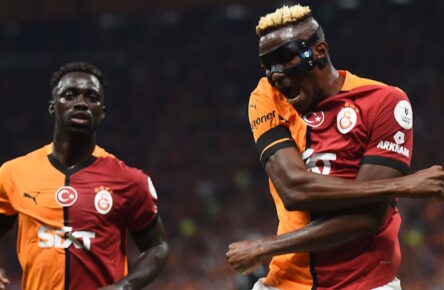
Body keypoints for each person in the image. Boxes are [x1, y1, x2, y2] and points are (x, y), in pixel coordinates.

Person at [227, 4, 444, 290]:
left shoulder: (385, 102)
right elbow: (295, 190)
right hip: (286, 283)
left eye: (284, 59)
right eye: (268, 65)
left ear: (319, 50)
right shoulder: (267, 96)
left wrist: (266, 247)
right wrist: (401, 186)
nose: (276, 75)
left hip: (366, 284)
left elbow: (367, 219)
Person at [0, 62, 169, 290]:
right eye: (69, 96)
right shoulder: (13, 174)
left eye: (91, 97)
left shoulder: (130, 181)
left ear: (102, 112)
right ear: (53, 107)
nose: (81, 103)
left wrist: (125, 286)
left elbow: (157, 246)